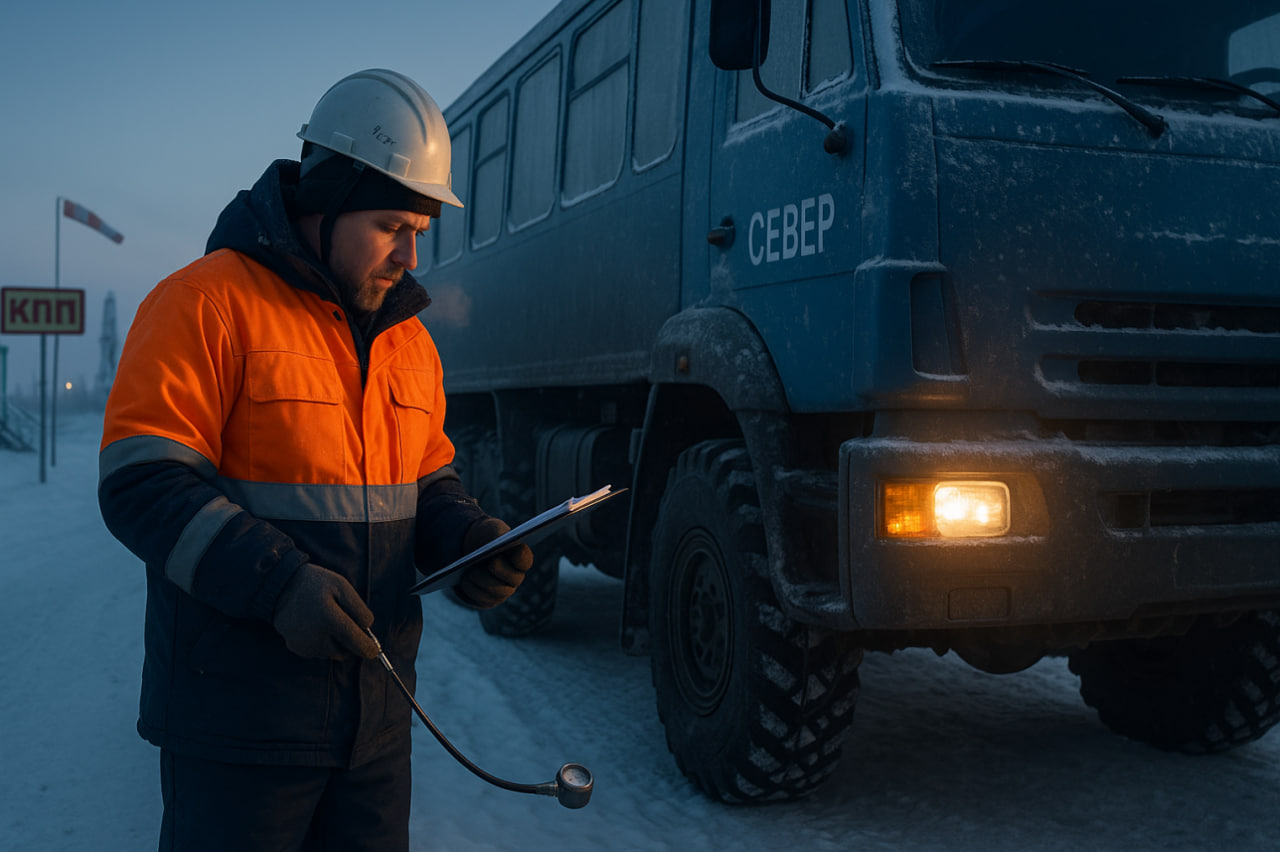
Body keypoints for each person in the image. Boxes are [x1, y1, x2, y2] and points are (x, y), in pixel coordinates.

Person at [98, 68, 533, 851]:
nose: (408, 253)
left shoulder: (408, 342)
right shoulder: (205, 303)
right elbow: (142, 482)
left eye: (419, 231)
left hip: (375, 729)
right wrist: (279, 584)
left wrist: (466, 542)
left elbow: (426, 477)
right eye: (390, 225)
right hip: (237, 730)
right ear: (324, 201)